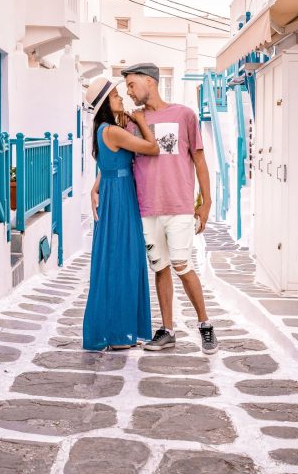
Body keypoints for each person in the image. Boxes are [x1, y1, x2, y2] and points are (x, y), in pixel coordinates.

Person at [91, 62, 218, 355]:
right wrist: (97, 184)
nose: (129, 92)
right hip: (146, 208)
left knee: (182, 264)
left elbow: (199, 160)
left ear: (149, 81)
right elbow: (117, 156)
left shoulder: (185, 115)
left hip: (179, 205)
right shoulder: (130, 122)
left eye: (131, 85)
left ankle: (205, 324)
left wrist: (206, 202)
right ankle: (167, 330)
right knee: (160, 268)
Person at [82, 75, 158, 352]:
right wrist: (140, 121)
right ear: (105, 104)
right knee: (123, 260)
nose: (121, 98)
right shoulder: (113, 131)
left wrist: (96, 185)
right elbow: (152, 148)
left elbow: (107, 165)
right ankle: (118, 333)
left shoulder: (105, 129)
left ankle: (118, 331)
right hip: (120, 199)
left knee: (116, 259)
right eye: (115, 95)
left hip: (115, 193)